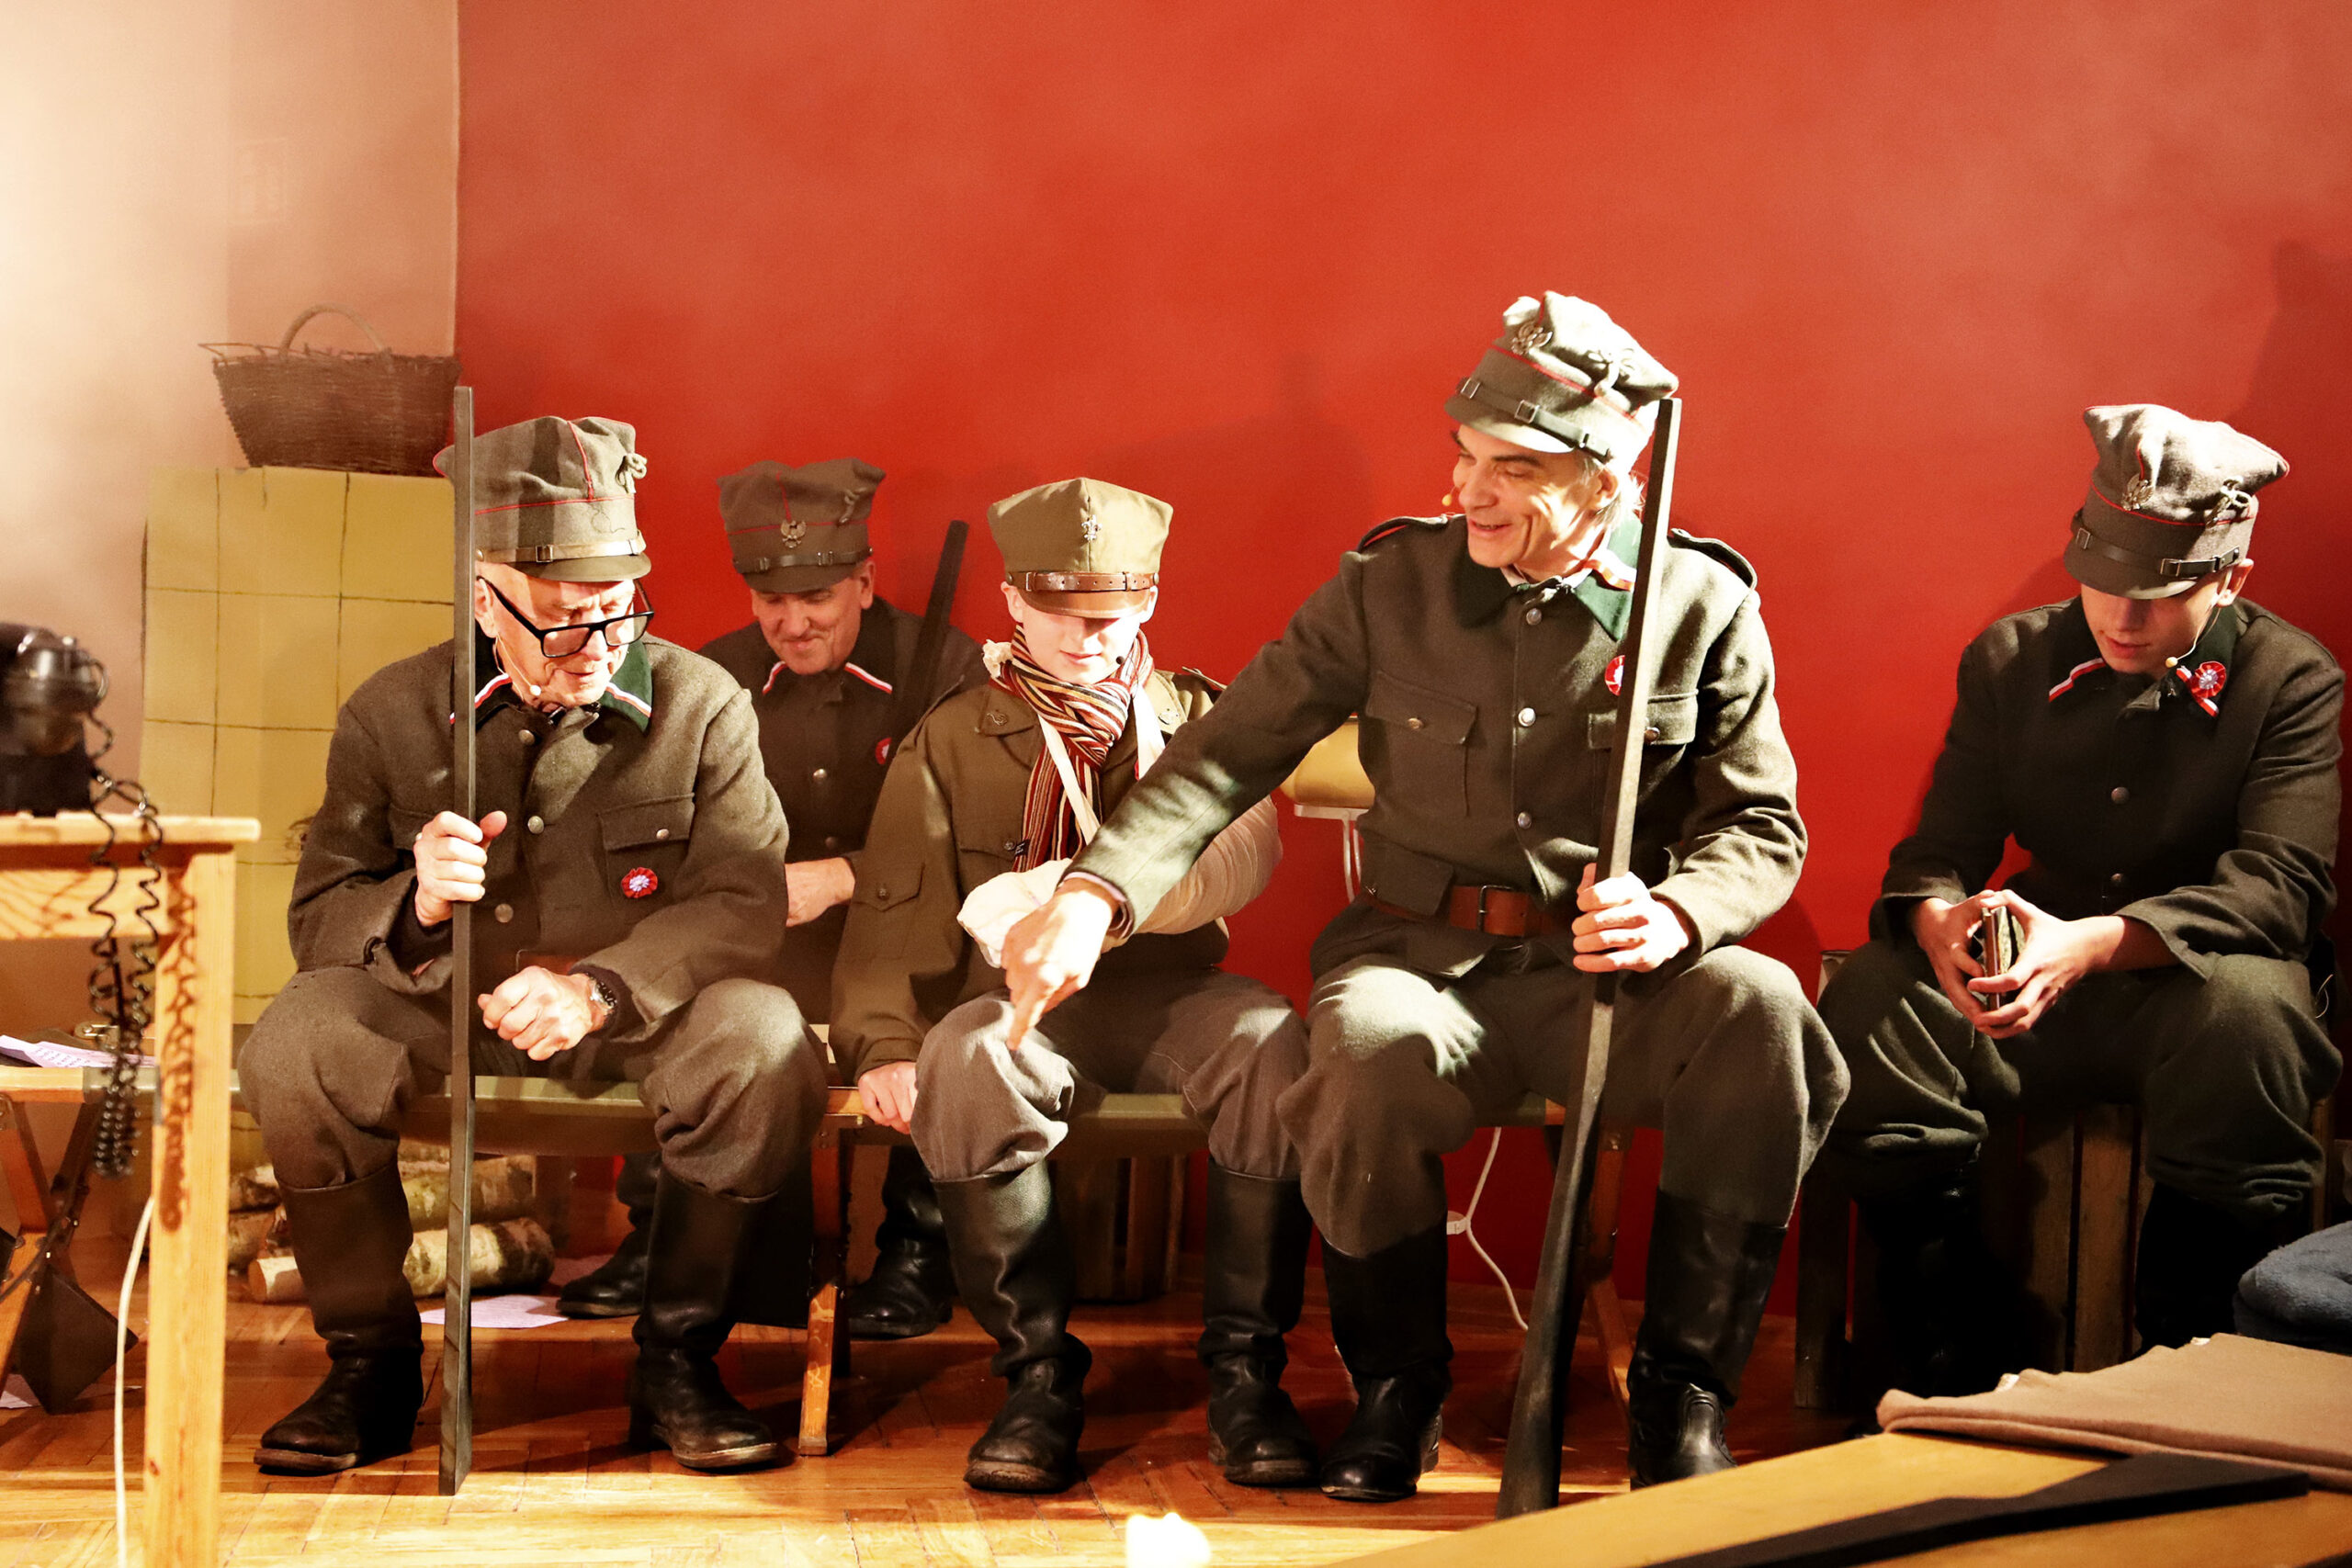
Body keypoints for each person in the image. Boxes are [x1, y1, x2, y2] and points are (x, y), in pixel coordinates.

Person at [1000, 294, 1847, 1500]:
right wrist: (1095, 894)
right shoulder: (1387, 586)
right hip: (1417, 960)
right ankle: (1398, 1389)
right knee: (1361, 1050)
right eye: (1465, 454)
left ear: (1607, 476)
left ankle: (1682, 1396)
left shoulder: (1699, 604)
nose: (1468, 490)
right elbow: (1222, 756)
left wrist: (1677, 912)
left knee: (1762, 1011)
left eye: (1513, 468)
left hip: (1609, 974)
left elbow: (1760, 827)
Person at [239, 416, 826, 1475]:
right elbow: (318, 922)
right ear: (483, 597)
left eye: (619, 608)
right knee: (298, 1039)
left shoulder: (702, 706)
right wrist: (417, 901)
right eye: (559, 619)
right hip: (443, 1013)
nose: (598, 644)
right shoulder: (392, 712)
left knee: (762, 1034)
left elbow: (742, 902)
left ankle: (677, 1364)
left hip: (635, 1024)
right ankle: (369, 1370)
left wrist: (602, 987)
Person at [1816, 404, 2341, 1389]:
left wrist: (2094, 942)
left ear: (2231, 578)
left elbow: (2283, 889)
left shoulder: (2289, 678)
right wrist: (1938, 920)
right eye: (2101, 580)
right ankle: (1948, 1350)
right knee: (1873, 997)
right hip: (2036, 988)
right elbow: (1938, 852)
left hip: (2192, 991)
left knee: (2254, 1015)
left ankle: (2184, 1368)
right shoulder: (2011, 658)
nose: (2120, 617)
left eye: (2159, 591)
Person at [831, 478, 1311, 1495]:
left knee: (1272, 1041)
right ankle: (1036, 1378)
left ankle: (1247, 1379)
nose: (1086, 637)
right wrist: (884, 1042)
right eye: (1059, 612)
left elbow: (1244, 855)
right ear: (1012, 598)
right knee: (965, 1054)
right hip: (1027, 1004)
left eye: (1110, 612)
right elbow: (898, 907)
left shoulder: (1201, 717)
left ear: (1149, 600)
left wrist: (1081, 902)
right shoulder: (954, 734)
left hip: (1174, 992)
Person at [559, 457, 982, 1337]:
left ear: (865, 581)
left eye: (817, 597)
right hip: (761, 942)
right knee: (676, 986)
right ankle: (662, 1233)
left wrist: (844, 878)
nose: (792, 623)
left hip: (912, 935)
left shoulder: (949, 665)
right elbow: (666, 835)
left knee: (961, 1002)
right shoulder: (710, 676)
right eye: (769, 600)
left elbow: (978, 840)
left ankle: (918, 1253)